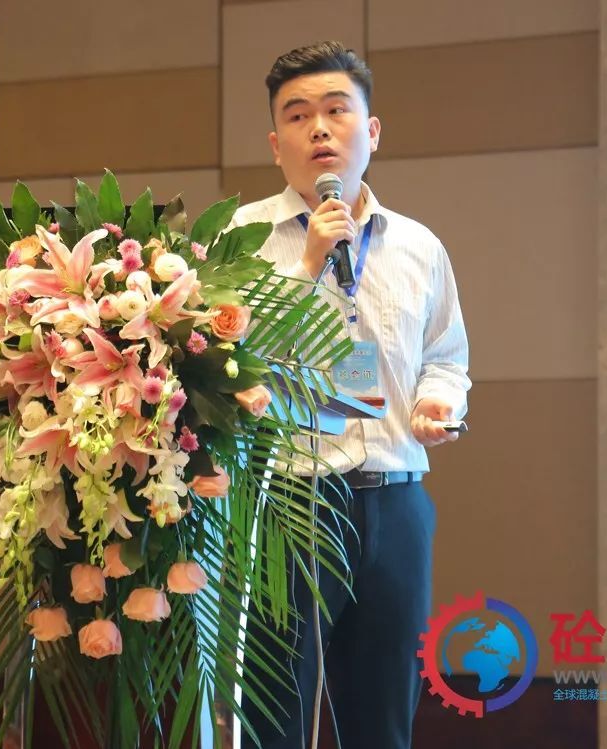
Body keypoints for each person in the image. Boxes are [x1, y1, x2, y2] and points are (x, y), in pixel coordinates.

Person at [231, 41, 471, 748]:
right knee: (279, 718)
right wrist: (306, 265)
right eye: (297, 116)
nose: (319, 129)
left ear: (371, 131)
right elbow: (229, 364)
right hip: (289, 501)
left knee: (384, 716)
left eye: (337, 111)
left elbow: (445, 358)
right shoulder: (240, 239)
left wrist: (438, 404)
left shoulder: (418, 246)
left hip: (396, 500)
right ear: (276, 144)